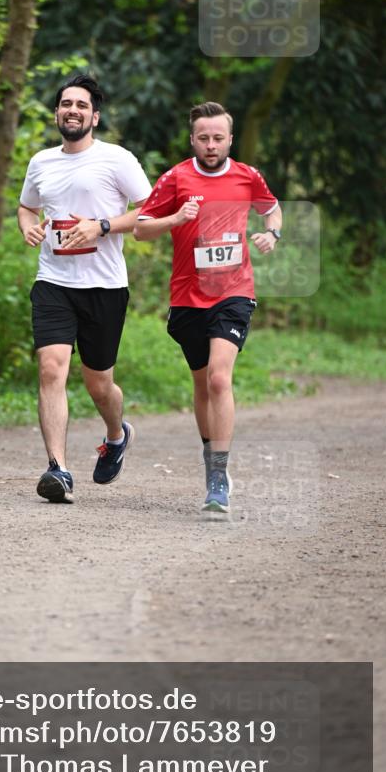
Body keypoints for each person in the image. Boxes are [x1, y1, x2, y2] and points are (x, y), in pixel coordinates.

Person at [133, 101, 282, 516]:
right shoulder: (175, 178)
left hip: (234, 290)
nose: (211, 145)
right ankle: (209, 454)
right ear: (193, 139)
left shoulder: (247, 175)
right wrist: (177, 217)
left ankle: (218, 476)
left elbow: (271, 209)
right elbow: (143, 230)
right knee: (201, 384)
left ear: (230, 139)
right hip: (187, 295)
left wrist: (274, 234)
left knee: (219, 379)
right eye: (204, 138)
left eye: (218, 138)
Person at [18, 74, 151, 504]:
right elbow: (26, 206)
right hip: (54, 281)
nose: (71, 110)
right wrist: (28, 228)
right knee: (51, 368)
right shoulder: (41, 162)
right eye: (65, 104)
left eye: (80, 105)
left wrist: (103, 225)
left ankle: (116, 434)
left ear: (94, 115)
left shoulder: (117, 159)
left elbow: (151, 210)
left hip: (105, 286)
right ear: (57, 112)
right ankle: (58, 469)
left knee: (99, 384)